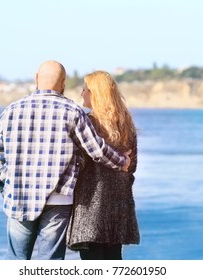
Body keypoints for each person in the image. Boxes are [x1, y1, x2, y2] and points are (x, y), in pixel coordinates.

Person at [0, 61, 131, 260]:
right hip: (58, 197)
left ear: (36, 78)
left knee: (16, 259)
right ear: (63, 83)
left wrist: (7, 182)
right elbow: (97, 150)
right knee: (51, 262)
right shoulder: (72, 111)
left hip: (18, 195)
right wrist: (121, 161)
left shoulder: (10, 111)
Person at [66, 71, 140, 260]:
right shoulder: (127, 126)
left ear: (95, 94)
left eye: (85, 89)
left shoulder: (86, 124)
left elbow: (77, 162)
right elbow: (131, 167)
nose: (81, 94)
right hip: (118, 206)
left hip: (90, 206)